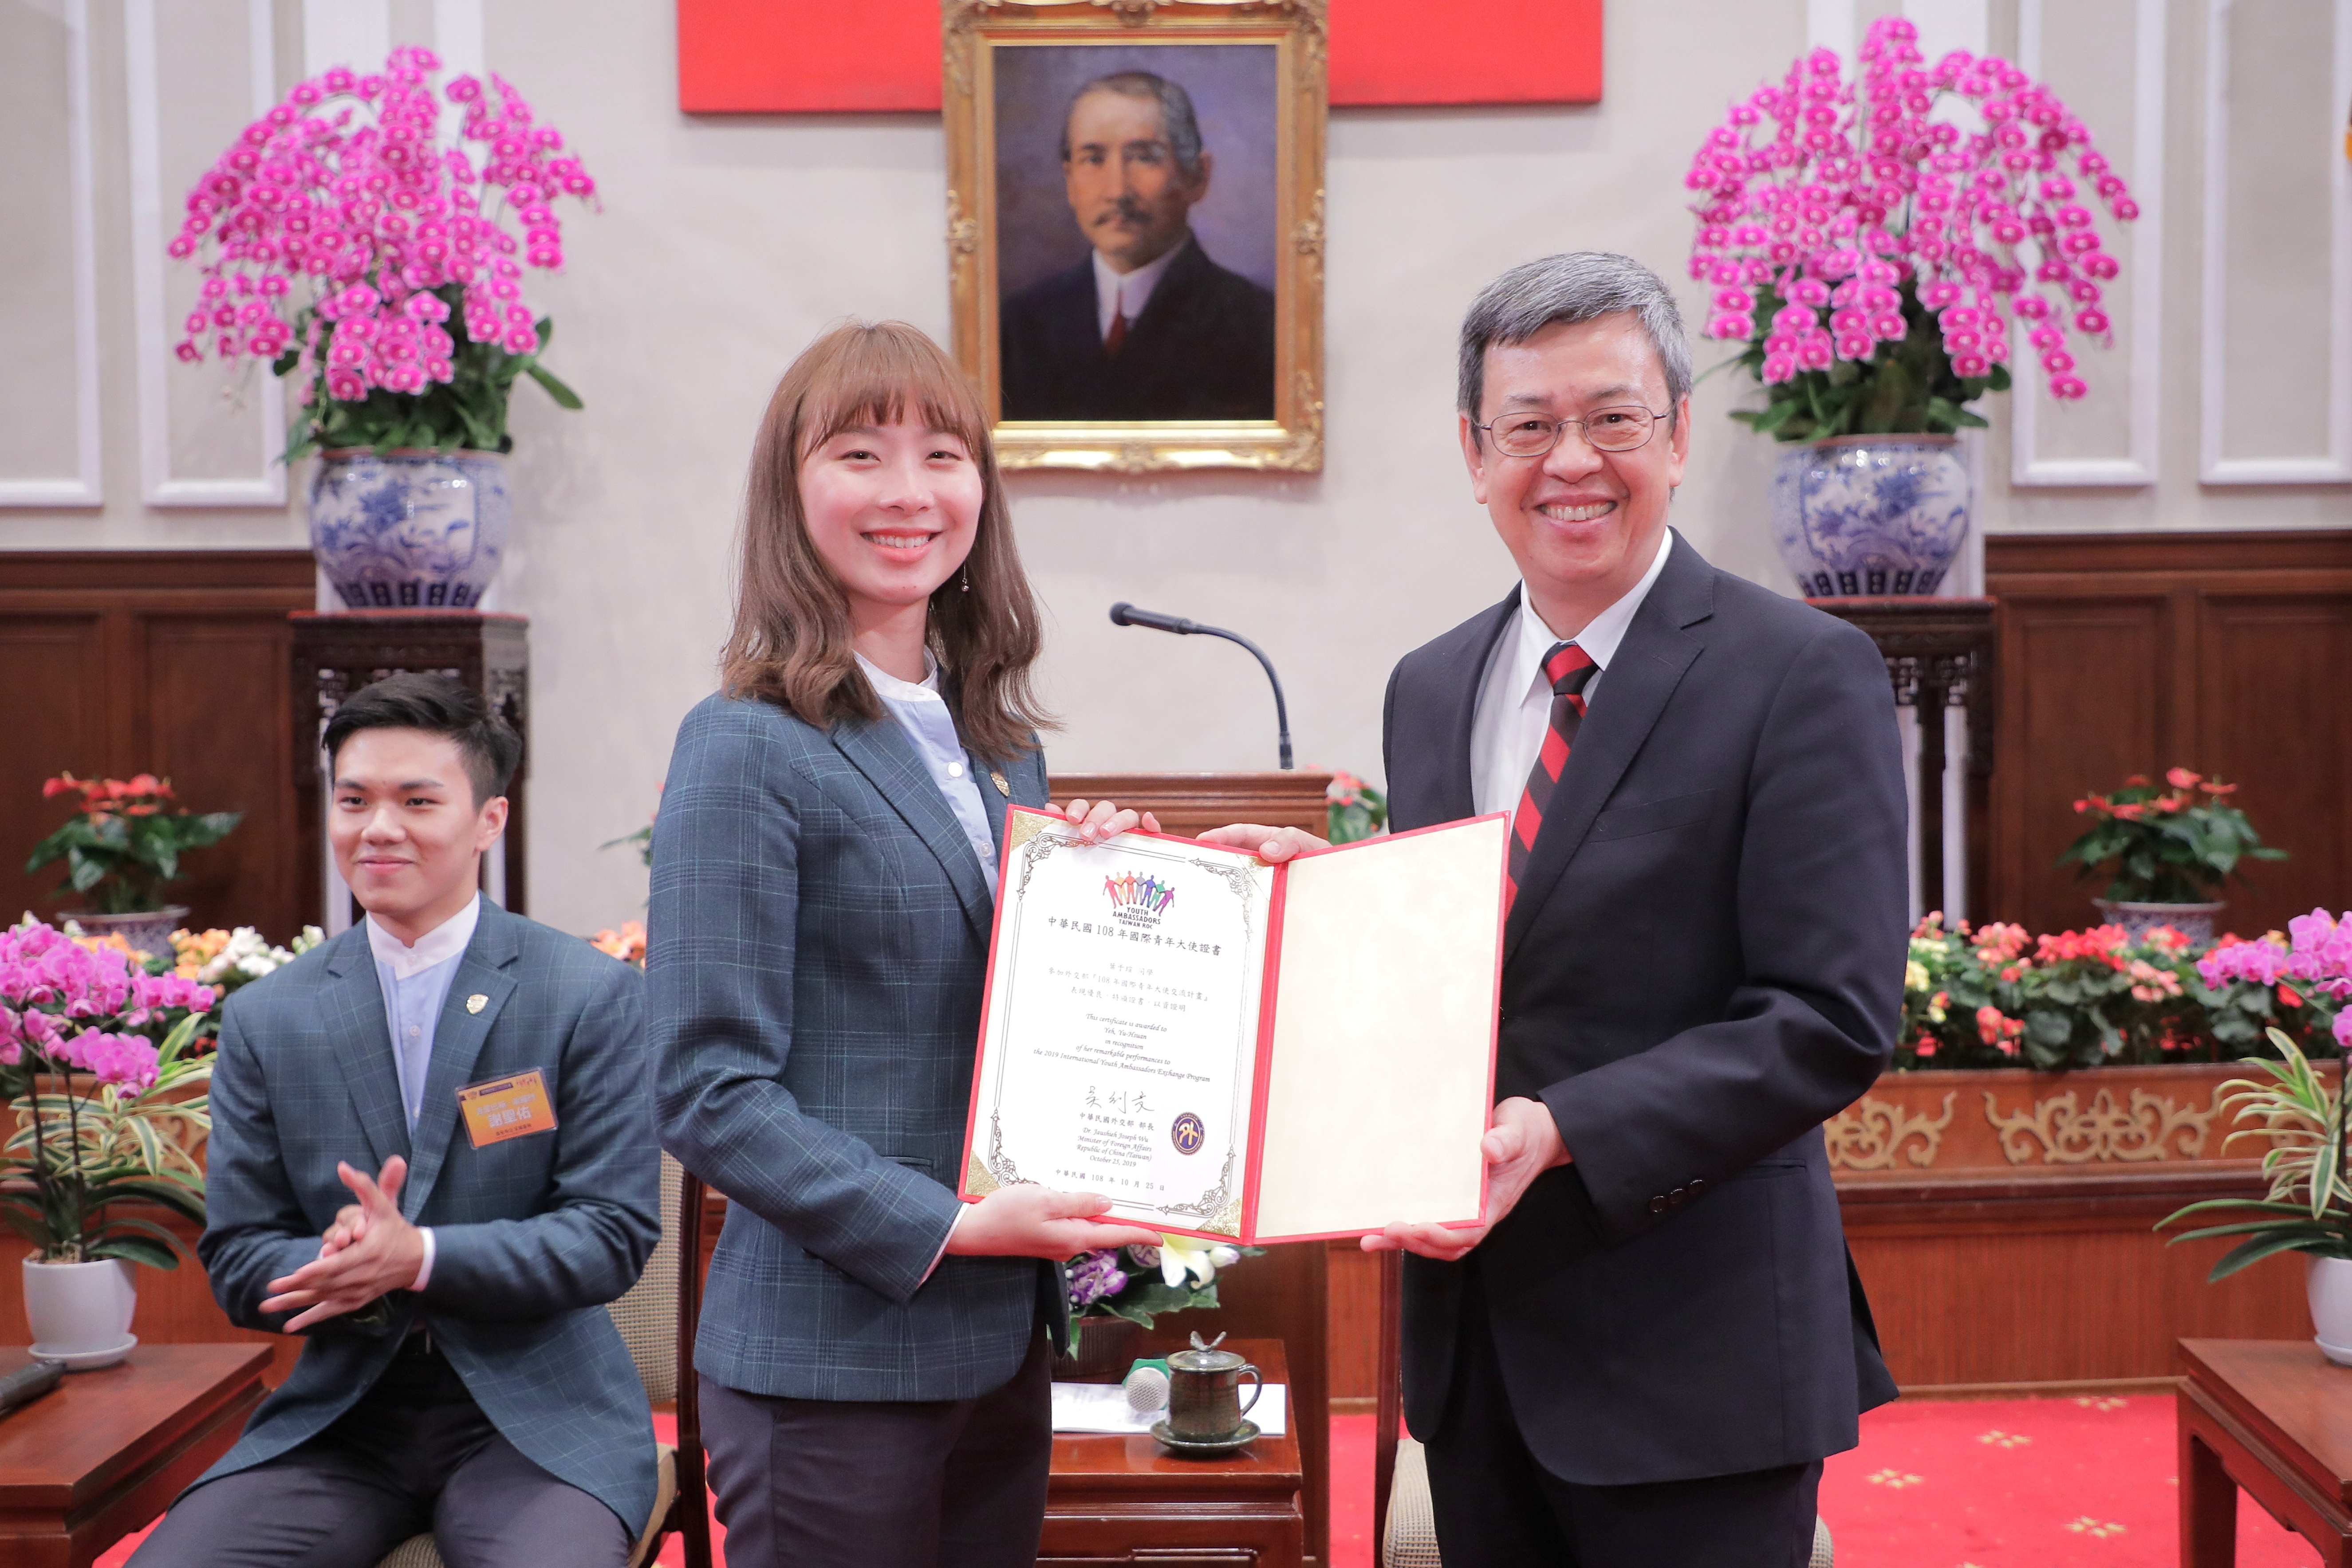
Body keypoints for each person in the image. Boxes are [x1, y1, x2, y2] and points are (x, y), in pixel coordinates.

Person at [1203, 252, 1905, 1567]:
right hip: (1477, 1355)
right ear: (1475, 455)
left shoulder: (1803, 673)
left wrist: (1563, 1127)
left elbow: (1830, 1017)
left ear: (1679, 434)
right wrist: (1323, 902)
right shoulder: (1432, 685)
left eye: (1612, 418)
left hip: (1697, 1359)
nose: (1570, 460)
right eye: (1528, 425)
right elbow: (1476, 954)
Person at [649, 319, 1160, 1568]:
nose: (908, 492)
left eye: (942, 454)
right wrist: (949, 1225)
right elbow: (708, 1090)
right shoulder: (744, 741)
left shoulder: (995, 746)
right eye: (860, 454)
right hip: (830, 1362)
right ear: (790, 490)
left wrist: (1103, 897)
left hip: (992, 1348)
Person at [132, 673, 660, 1568]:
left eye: (417, 801)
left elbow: (610, 1236)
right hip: (342, 1419)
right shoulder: (270, 1017)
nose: (378, 828)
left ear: (488, 821)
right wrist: (334, 1261)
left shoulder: (586, 995)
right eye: (354, 801)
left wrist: (417, 1256)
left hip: (537, 1420)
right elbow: (238, 1260)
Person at [998, 70, 1276, 421]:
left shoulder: (1258, 325)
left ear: (1196, 177)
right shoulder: (1018, 326)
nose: (1117, 191)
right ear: (1070, 181)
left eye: (1145, 157)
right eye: (1093, 159)